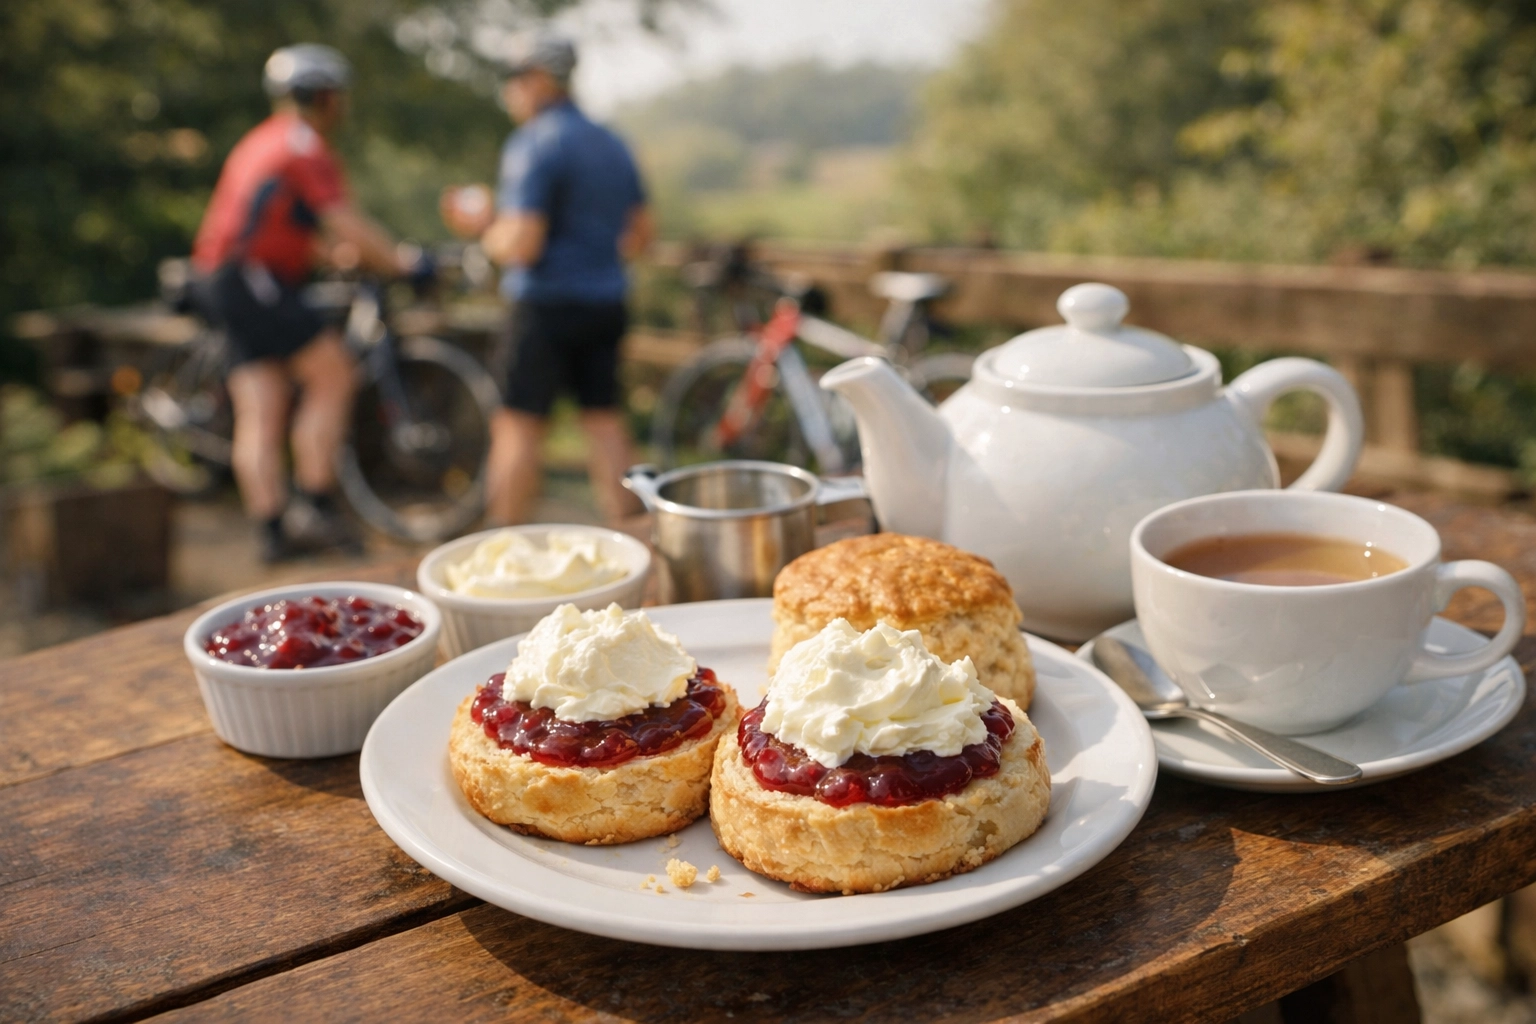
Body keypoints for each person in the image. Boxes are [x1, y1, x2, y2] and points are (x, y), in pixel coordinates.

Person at [192, 44, 425, 562]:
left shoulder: (263, 141)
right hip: (253, 278)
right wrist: (401, 262)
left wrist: (325, 254)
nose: (342, 106)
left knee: (263, 401)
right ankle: (315, 504)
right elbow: (344, 218)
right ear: (321, 95)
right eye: (338, 96)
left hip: (228, 277)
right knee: (334, 374)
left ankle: (272, 532)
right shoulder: (303, 144)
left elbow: (278, 223)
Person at [442, 31, 653, 526]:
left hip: (545, 307)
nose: (508, 90)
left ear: (539, 79)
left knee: (517, 426)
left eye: (513, 78)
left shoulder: (534, 142)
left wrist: (482, 227)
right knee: (604, 421)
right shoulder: (612, 142)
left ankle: (499, 551)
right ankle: (638, 539)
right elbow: (643, 233)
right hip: (606, 302)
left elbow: (522, 244)